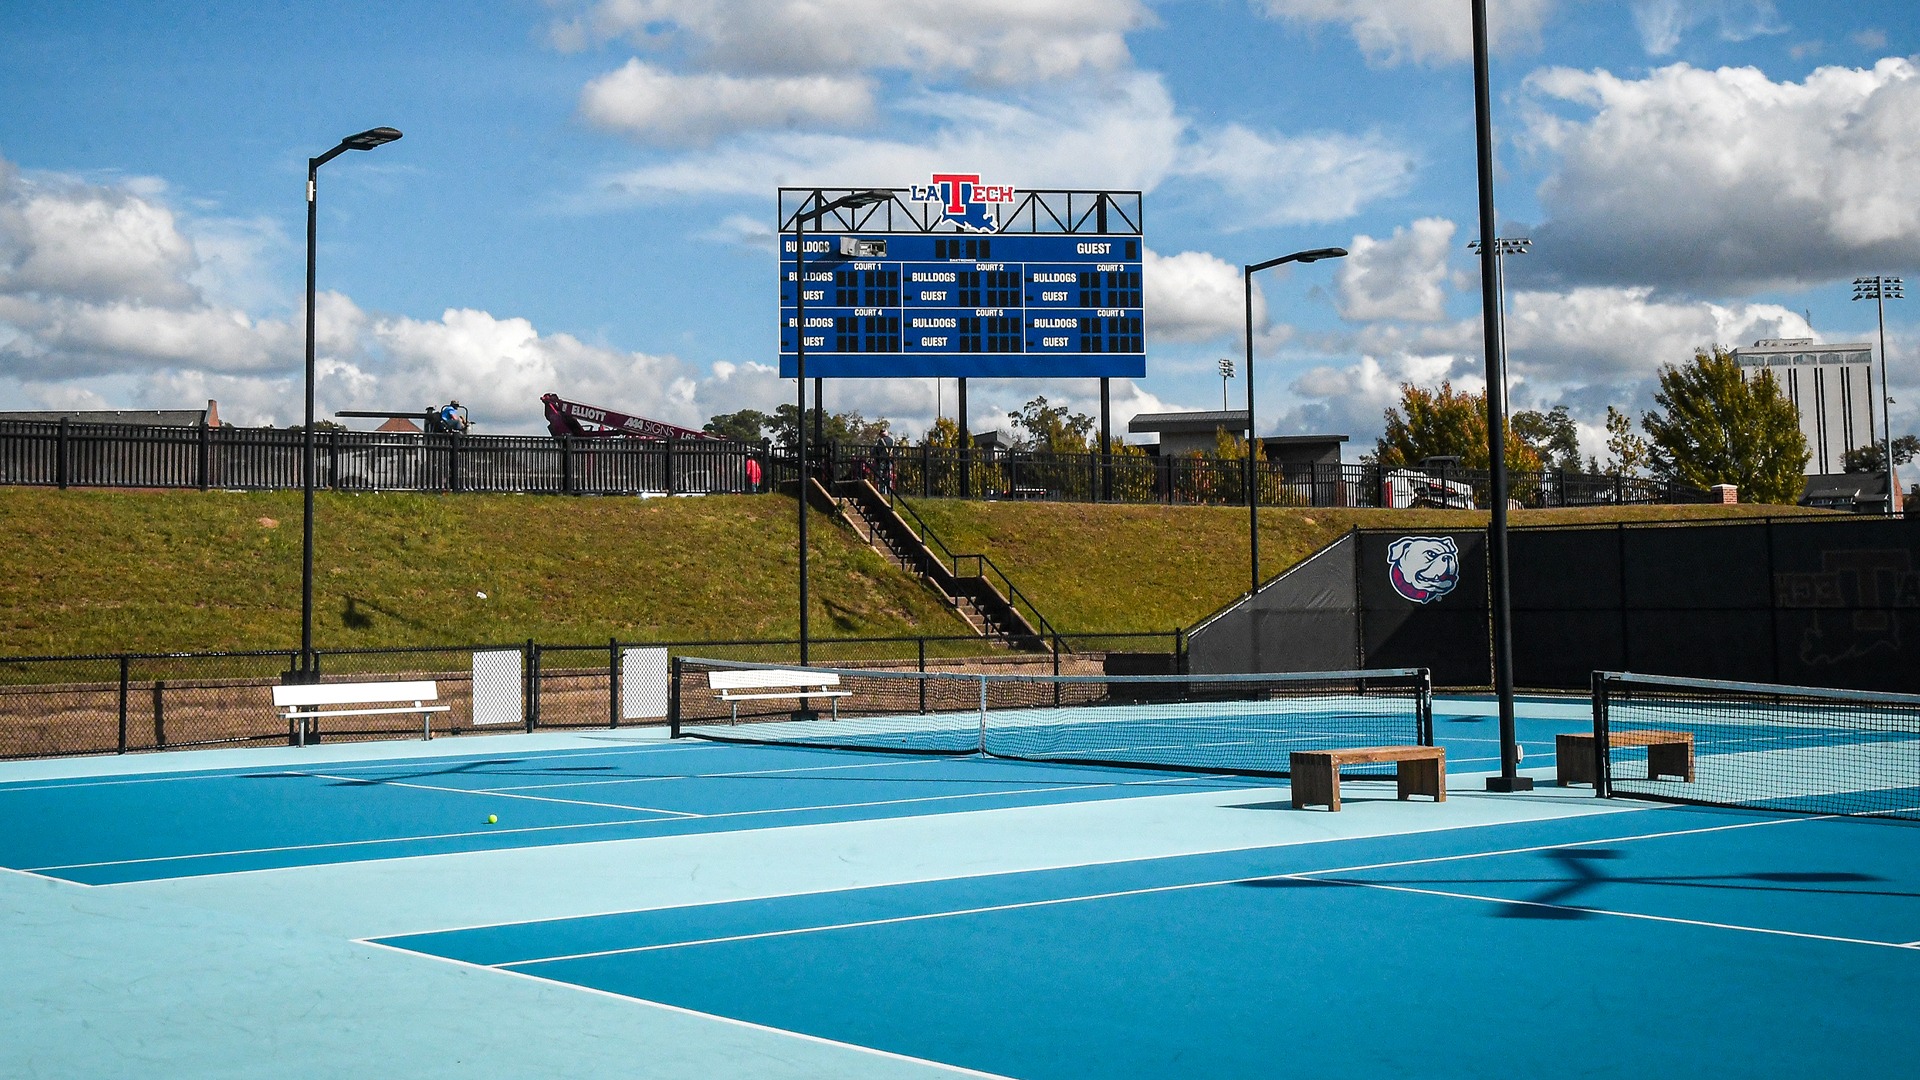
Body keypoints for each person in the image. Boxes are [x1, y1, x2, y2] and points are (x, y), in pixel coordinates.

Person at [872, 429, 895, 494]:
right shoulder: (892, 441)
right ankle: (889, 492)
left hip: (881, 460)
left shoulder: (880, 441)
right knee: (888, 476)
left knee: (881, 476)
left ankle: (882, 492)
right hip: (889, 460)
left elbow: (877, 451)